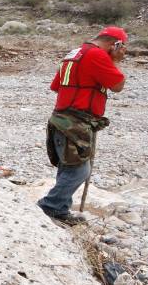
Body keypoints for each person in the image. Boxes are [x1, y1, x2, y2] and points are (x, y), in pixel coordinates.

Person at [37, 26, 128, 225]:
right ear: (116, 44)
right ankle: (50, 206)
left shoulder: (74, 53)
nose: (124, 52)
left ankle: (60, 209)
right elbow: (118, 85)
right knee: (79, 170)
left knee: (68, 166)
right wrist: (114, 60)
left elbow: (56, 86)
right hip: (75, 122)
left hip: (62, 118)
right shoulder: (98, 55)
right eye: (122, 47)